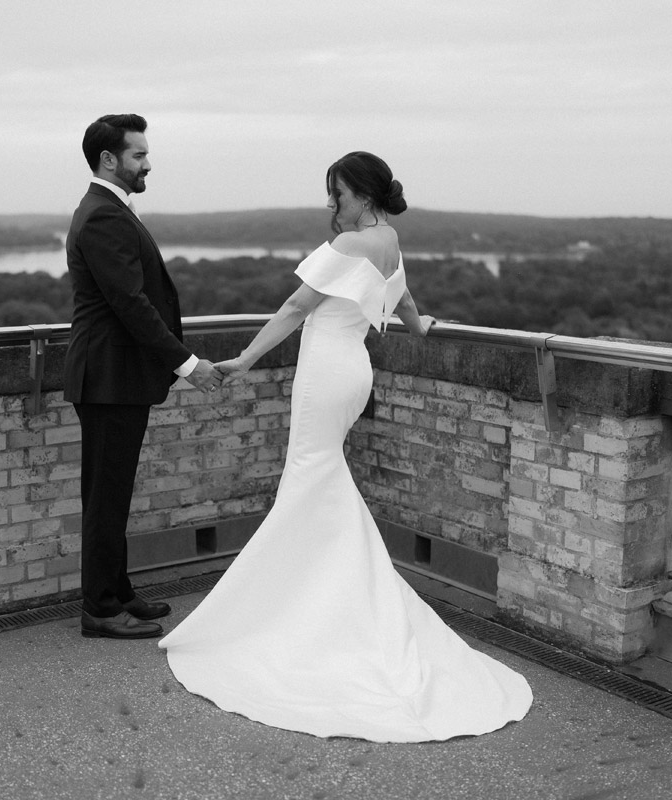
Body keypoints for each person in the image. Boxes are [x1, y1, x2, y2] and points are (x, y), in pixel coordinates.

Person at [159, 152, 533, 742]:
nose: (331, 203)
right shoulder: (389, 239)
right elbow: (405, 309)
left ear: (361, 193)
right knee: (321, 481)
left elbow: (293, 309)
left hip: (325, 371)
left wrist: (244, 360)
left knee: (307, 480)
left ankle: (308, 608)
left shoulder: (349, 248)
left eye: (337, 193)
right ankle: (334, 595)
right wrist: (422, 327)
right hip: (355, 370)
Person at [65, 114, 221, 639]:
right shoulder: (104, 216)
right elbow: (130, 304)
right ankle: (100, 610)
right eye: (138, 154)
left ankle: (119, 590)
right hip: (108, 378)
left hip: (115, 377)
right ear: (109, 159)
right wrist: (187, 363)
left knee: (114, 492)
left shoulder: (108, 210)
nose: (147, 162)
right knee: (105, 497)